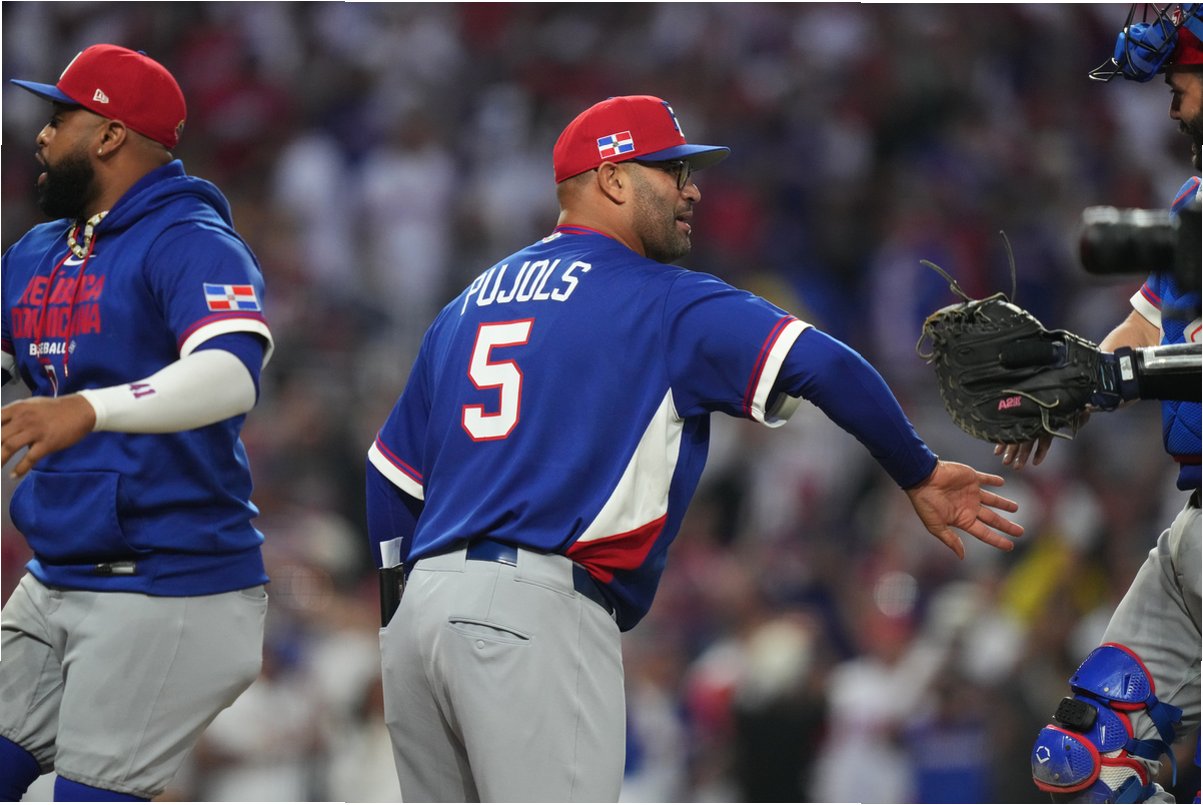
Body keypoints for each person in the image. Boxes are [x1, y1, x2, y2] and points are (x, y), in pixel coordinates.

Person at [365, 93, 1024, 802]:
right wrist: (918, 471)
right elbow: (824, 363)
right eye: (672, 171)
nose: (693, 190)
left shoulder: (465, 306)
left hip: (419, 616)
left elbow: (389, 475)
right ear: (613, 178)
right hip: (534, 610)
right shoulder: (662, 297)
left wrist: (403, 611)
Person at [0, 45, 273, 801]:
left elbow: (230, 373)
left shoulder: (190, 239)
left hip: (172, 581)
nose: (41, 136)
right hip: (57, 574)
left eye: (60, 118)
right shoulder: (37, 250)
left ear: (110, 134)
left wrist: (91, 408)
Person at [1016, 7, 1202, 803]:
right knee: (1077, 764)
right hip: (1191, 531)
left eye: (1182, 76)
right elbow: (1144, 328)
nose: (1173, 100)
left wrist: (1119, 378)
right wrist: (1063, 385)